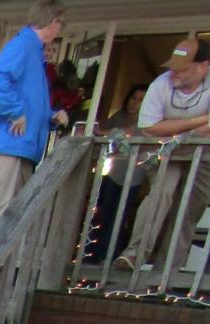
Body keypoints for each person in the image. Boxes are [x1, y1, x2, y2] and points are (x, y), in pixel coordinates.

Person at [0, 1, 71, 257]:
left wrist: (51, 117)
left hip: (20, 146)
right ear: (53, 21)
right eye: (61, 23)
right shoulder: (24, 45)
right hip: (6, 143)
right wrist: (14, 112)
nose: (60, 29)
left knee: (10, 213)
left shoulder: (34, 51)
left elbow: (29, 100)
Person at [114, 39, 210, 274]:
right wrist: (199, 121)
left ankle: (166, 272)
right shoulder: (161, 84)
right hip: (165, 151)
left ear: (203, 66)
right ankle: (134, 255)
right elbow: (149, 128)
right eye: (172, 65)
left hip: (204, 157)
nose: (174, 71)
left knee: (188, 210)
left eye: (182, 67)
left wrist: (173, 127)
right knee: (162, 193)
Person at [85, 84, 149, 261]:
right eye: (133, 98)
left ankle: (108, 255)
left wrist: (106, 132)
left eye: (141, 100)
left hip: (133, 175)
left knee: (119, 216)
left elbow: (118, 134)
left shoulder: (146, 121)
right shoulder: (118, 116)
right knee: (102, 213)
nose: (135, 103)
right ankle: (92, 253)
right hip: (112, 172)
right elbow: (103, 131)